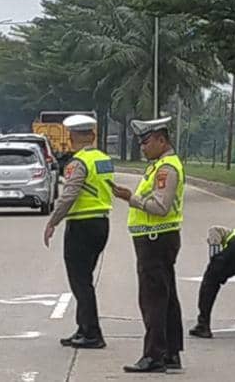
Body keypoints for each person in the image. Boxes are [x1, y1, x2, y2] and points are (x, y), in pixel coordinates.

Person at [111, 117, 185, 373]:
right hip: (159, 238)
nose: (143, 147)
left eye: (147, 142)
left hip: (156, 239)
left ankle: (154, 356)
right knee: (166, 297)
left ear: (162, 140)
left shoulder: (166, 169)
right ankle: (171, 354)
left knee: (153, 299)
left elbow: (161, 207)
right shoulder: (159, 166)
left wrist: (132, 199)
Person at [43, 114, 114, 349]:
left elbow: (69, 194)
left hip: (81, 226)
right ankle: (83, 328)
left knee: (80, 281)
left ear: (72, 138)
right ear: (92, 136)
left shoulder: (78, 163)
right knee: (85, 279)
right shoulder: (104, 159)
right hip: (101, 223)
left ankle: (92, 333)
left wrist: (53, 221)